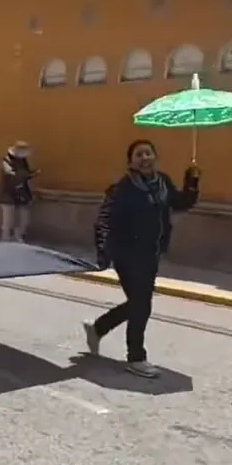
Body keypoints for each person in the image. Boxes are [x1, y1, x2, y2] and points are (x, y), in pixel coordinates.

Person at [83, 139, 200, 378]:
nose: (145, 158)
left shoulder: (163, 183)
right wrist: (103, 252)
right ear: (131, 161)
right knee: (141, 304)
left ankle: (99, 328)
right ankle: (136, 358)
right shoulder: (121, 187)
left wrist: (192, 182)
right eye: (139, 154)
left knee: (139, 303)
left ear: (155, 157)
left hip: (151, 252)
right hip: (125, 253)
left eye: (148, 153)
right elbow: (104, 219)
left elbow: (181, 203)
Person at [0, 141, 39, 242]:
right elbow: (10, 173)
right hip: (7, 191)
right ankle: (6, 237)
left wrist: (32, 173)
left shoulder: (23, 161)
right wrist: (26, 175)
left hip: (21, 191)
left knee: (24, 216)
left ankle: (19, 235)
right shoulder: (6, 160)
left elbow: (25, 173)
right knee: (8, 218)